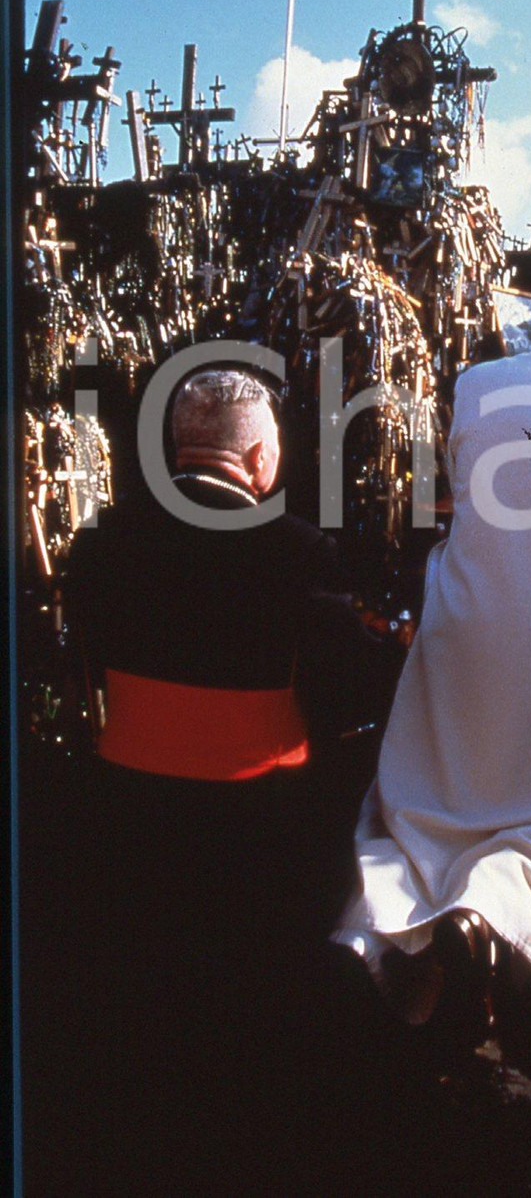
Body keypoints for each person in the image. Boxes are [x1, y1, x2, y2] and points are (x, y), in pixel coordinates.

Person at [60, 367, 379, 1187]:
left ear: (179, 451)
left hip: (126, 831)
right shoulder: (299, 554)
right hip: (260, 845)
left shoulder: (101, 544)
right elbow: (346, 698)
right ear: (263, 459)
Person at [332, 310, 531, 1066]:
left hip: (469, 616)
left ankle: (380, 926)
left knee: (435, 794)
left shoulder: (476, 381)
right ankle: (497, 920)